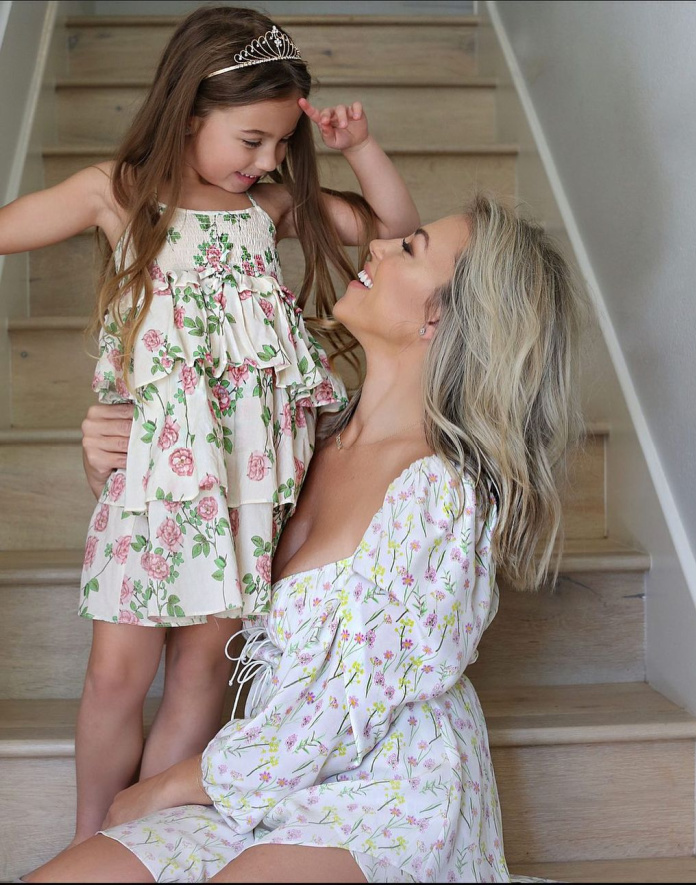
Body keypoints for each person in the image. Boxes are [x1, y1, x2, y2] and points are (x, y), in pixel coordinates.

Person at [24, 195, 585, 883]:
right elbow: (184, 534)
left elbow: (339, 710)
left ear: (439, 316)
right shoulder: (293, 430)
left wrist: (169, 785)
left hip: (383, 790)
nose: (376, 248)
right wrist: (109, 462)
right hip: (255, 781)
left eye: (408, 249)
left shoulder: (442, 496)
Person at [0, 5, 419, 846]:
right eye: (251, 140)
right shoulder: (116, 194)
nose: (266, 162)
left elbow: (398, 233)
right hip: (152, 491)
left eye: (277, 146)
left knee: (200, 675)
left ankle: (141, 841)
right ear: (190, 111)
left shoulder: (267, 208)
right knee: (116, 675)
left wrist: (359, 151)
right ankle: (89, 840)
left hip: (244, 494)